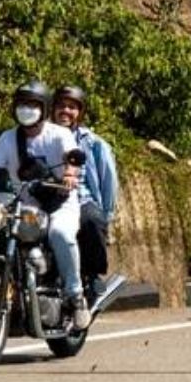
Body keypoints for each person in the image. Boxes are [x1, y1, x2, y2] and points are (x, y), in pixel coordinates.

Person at [0, 81, 89, 332]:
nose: (27, 109)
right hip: (20, 203)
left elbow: (71, 157)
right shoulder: (8, 138)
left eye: (32, 104)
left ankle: (76, 298)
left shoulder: (58, 134)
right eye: (22, 104)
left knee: (60, 234)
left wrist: (70, 174)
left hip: (58, 201)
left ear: (44, 108)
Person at [52, 84, 118, 304]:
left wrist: (106, 215)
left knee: (91, 219)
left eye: (72, 107)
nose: (66, 111)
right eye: (61, 106)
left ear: (80, 113)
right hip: (43, 198)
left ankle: (91, 275)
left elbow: (108, 179)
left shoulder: (92, 142)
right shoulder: (40, 136)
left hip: (79, 198)